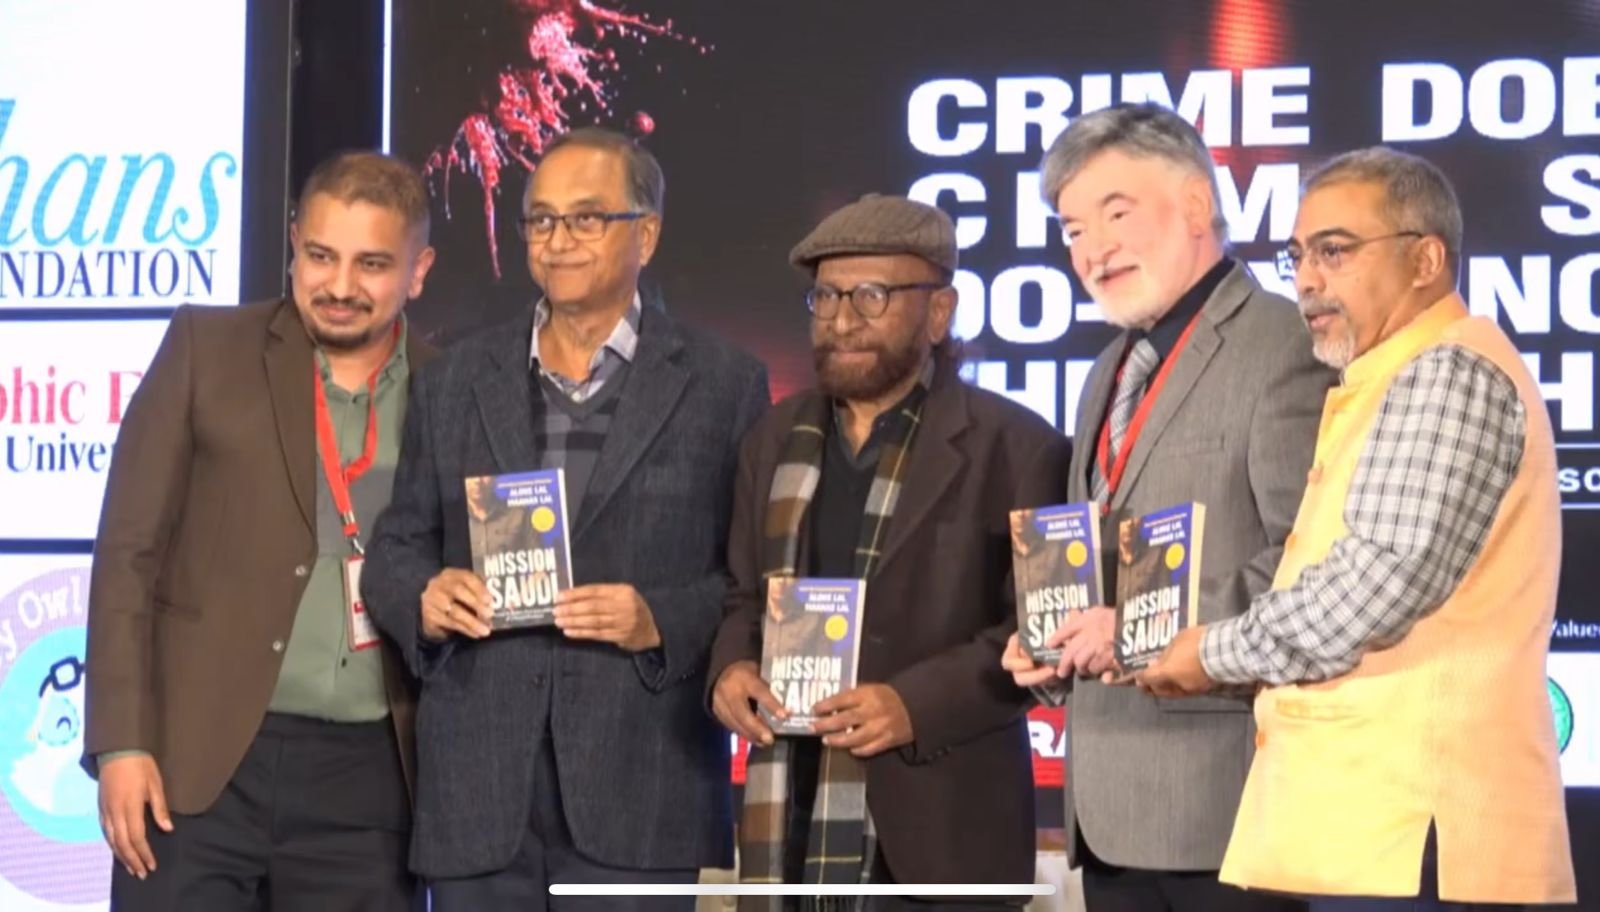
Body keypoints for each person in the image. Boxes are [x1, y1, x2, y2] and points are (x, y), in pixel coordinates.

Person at [1137, 146, 1577, 911]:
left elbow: (1371, 589)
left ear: (1425, 260)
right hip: (1371, 838)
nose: (1307, 280)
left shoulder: (1445, 373)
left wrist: (1209, 651)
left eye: (1335, 251)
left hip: (1420, 836)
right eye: (1297, 256)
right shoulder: (1387, 376)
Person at [361, 126, 769, 911]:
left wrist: (657, 619)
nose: (557, 241)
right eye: (541, 220)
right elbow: (397, 548)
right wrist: (424, 597)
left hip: (641, 783)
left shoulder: (725, 383)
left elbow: (749, 582)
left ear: (646, 234)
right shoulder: (455, 379)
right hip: (479, 792)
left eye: (586, 219)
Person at [83, 150, 439, 910]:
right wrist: (120, 743)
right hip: (197, 764)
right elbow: (127, 556)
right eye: (321, 255)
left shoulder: (454, 386)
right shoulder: (205, 350)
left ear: (418, 271)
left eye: (372, 264)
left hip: (372, 785)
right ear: (293, 244)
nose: (339, 286)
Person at [1001, 102, 1333, 912]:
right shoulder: (1106, 369)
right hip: (1106, 809)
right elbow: (1099, 572)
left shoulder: (1283, 344)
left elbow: (1312, 566)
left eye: (1115, 214)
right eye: (1073, 229)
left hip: (1224, 809)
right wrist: (1052, 645)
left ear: (1194, 204)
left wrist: (1137, 629)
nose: (1092, 249)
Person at [709, 194, 1071, 910]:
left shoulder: (1020, 448)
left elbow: (1047, 636)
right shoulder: (771, 439)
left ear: (939, 311)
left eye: (871, 296)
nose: (842, 321)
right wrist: (730, 668)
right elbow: (743, 595)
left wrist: (914, 705)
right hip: (788, 818)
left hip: (943, 835)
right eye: (825, 297)